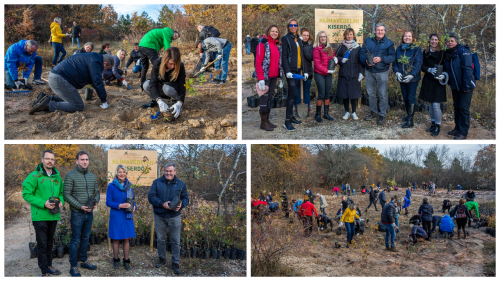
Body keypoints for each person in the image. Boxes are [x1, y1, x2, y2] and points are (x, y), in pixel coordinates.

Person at [22, 150, 64, 276]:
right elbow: (26, 194)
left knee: (50, 242)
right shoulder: (34, 176)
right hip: (40, 215)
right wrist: (43, 203)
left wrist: (61, 201)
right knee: (42, 244)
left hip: (53, 215)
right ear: (42, 160)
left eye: (52, 159)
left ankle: (49, 265)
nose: (50, 161)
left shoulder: (58, 177)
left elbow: (61, 193)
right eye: (47, 159)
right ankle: (44, 270)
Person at [29, 53, 113, 115]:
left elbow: (93, 81)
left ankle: (46, 98)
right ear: (105, 63)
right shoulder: (96, 62)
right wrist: (104, 101)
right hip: (60, 79)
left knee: (72, 99)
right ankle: (48, 105)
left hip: (56, 76)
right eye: (107, 68)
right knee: (78, 105)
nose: (105, 70)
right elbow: (97, 81)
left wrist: (102, 94)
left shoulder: (93, 57)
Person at [148, 163, 189, 275]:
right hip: (159, 215)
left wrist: (182, 204)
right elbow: (151, 197)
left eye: (170, 171)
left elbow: (186, 198)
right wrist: (162, 204)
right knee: (160, 239)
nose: (168, 173)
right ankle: (162, 259)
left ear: (175, 171)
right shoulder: (156, 182)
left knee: (175, 241)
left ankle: (175, 263)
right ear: (164, 171)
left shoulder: (181, 184)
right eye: (166, 171)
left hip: (174, 216)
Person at [63, 151, 100, 276]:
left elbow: (97, 192)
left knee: (85, 238)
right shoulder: (70, 175)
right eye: (82, 159)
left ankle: (84, 261)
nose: (85, 162)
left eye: (86, 159)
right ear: (77, 161)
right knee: (75, 240)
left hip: (89, 213)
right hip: (77, 214)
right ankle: (73, 266)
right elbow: (66, 195)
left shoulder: (92, 176)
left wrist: (96, 202)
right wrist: (80, 206)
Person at [359, 23, 396, 125]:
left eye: (382, 30)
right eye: (378, 30)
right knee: (371, 94)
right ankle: (373, 112)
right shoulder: (368, 41)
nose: (380, 32)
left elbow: (392, 57)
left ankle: (382, 114)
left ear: (384, 31)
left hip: (382, 72)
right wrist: (365, 60)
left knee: (383, 94)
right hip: (369, 71)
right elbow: (361, 53)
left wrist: (381, 59)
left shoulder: (389, 43)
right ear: (375, 31)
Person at [444, 32, 476, 140]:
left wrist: (466, 85)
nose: (449, 43)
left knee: (463, 107)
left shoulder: (463, 51)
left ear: (456, 41)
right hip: (455, 85)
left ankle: (463, 132)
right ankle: (457, 128)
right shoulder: (449, 53)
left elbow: (468, 68)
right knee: (456, 107)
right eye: (448, 41)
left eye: (452, 41)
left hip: (466, 85)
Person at [106, 165, 137, 270]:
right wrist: (120, 205)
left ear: (126, 173)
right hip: (116, 216)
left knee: (126, 239)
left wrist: (134, 207)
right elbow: (108, 202)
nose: (122, 174)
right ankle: (116, 260)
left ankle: (126, 261)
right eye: (120, 172)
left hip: (127, 216)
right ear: (116, 173)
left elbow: (133, 200)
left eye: (124, 172)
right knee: (116, 239)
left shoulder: (130, 186)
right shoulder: (111, 186)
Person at [141, 47, 185, 119]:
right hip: (160, 89)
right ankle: (155, 101)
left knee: (167, 88)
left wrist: (180, 102)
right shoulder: (157, 63)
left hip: (171, 90)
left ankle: (175, 101)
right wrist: (159, 100)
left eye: (175, 64)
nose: (173, 66)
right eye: (170, 64)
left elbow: (182, 86)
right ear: (165, 61)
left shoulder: (181, 66)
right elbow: (153, 82)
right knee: (146, 84)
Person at [281, 18, 308, 131]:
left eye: (295, 25)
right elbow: (284, 56)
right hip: (291, 71)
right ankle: (287, 121)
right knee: (291, 94)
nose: (293, 27)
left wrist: (305, 70)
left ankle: (291, 117)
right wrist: (287, 71)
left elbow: (302, 56)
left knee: (294, 94)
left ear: (297, 26)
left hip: (298, 70)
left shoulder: (299, 39)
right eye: (291, 25)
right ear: (288, 27)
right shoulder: (285, 39)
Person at [392, 30, 423, 128]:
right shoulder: (399, 49)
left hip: (412, 79)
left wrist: (412, 74)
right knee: (405, 97)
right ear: (403, 38)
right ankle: (408, 114)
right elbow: (395, 62)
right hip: (402, 77)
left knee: (411, 97)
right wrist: (397, 72)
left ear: (412, 38)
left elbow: (418, 63)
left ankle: (410, 121)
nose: (407, 38)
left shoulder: (416, 49)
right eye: (405, 36)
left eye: (409, 36)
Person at [255, 25, 282, 131]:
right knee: (264, 98)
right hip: (265, 76)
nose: (274, 33)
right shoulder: (263, 43)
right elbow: (258, 62)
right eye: (272, 31)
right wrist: (261, 78)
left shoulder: (277, 45)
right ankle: (263, 123)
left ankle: (267, 121)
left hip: (274, 76)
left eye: (276, 31)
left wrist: (280, 77)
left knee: (269, 99)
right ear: (268, 32)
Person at [419, 33, 447, 136]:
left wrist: (444, 75)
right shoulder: (425, 52)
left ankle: (438, 126)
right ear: (429, 40)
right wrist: (429, 69)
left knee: (436, 105)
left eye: (436, 40)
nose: (434, 41)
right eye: (432, 39)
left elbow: (446, 67)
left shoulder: (442, 53)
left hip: (438, 81)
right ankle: (433, 123)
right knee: (430, 103)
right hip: (428, 80)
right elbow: (422, 66)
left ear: (438, 41)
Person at [336, 28, 364, 120]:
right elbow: (336, 57)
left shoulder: (357, 47)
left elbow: (360, 61)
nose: (349, 36)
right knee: (345, 94)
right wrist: (341, 60)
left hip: (354, 73)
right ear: (345, 35)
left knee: (354, 94)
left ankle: (354, 112)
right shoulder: (341, 46)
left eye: (351, 34)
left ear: (354, 35)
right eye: (347, 34)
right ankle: (347, 112)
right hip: (344, 73)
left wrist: (361, 73)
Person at [312, 30, 336, 123]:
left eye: (324, 36)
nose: (323, 38)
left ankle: (326, 113)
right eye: (321, 36)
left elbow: (332, 59)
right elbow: (317, 65)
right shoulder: (316, 49)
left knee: (327, 94)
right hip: (319, 73)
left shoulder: (330, 48)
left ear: (326, 38)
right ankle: (317, 114)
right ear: (318, 38)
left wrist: (335, 60)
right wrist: (327, 70)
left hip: (328, 74)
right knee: (321, 94)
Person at [294, 27, 314, 118]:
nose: (305, 37)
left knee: (306, 90)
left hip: (308, 71)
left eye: (307, 35)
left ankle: (307, 107)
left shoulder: (311, 45)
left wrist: (303, 48)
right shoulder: (296, 43)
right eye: (303, 35)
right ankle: (297, 107)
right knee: (297, 90)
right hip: (298, 70)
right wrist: (299, 44)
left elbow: (310, 57)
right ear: (300, 35)